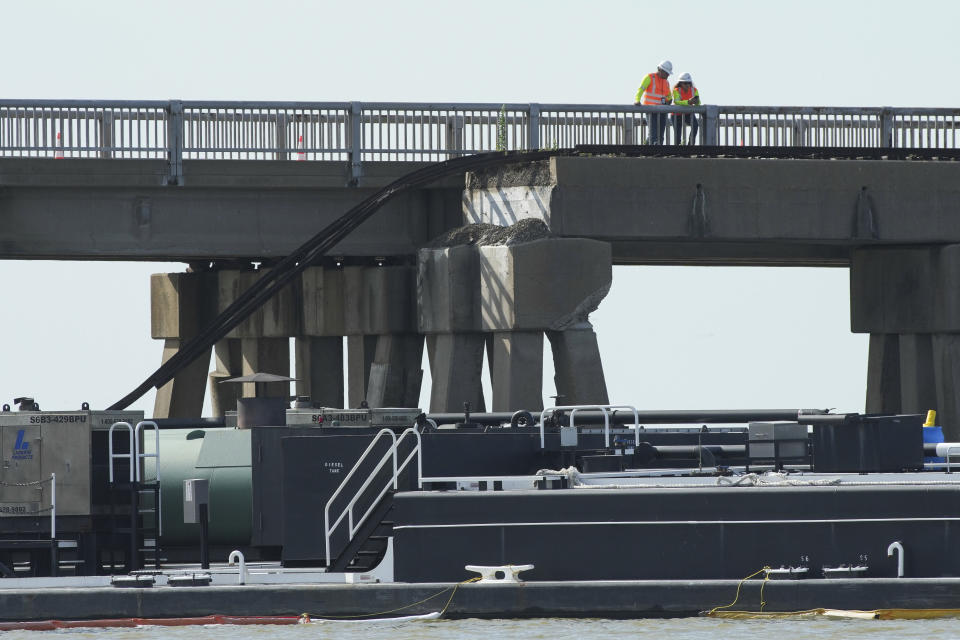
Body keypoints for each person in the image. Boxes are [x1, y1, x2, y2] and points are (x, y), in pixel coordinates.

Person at [634, 60, 673, 144]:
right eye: (666, 73)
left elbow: (669, 95)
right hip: (650, 110)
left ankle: (655, 151)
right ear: (660, 70)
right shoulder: (649, 77)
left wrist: (669, 100)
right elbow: (641, 90)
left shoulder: (666, 82)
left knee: (660, 135)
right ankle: (651, 152)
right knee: (653, 134)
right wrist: (637, 100)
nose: (668, 75)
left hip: (662, 111)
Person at [672, 72, 701, 145]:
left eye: (689, 83)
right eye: (685, 83)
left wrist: (696, 102)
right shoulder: (676, 90)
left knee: (695, 125)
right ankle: (677, 149)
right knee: (677, 134)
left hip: (688, 113)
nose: (687, 85)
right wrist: (688, 102)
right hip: (677, 114)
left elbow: (698, 103)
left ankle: (690, 145)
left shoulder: (694, 90)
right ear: (681, 83)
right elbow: (677, 102)